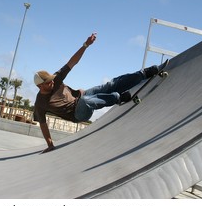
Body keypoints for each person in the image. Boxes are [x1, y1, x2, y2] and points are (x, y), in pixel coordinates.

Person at [33, 33, 166, 153]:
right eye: (48, 83)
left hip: (82, 96)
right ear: (40, 86)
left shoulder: (56, 79)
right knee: (86, 101)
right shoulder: (40, 103)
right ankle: (117, 98)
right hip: (78, 114)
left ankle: (145, 73)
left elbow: (72, 62)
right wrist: (50, 144)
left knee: (110, 85)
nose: (52, 83)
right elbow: (43, 124)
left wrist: (85, 45)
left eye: (51, 80)